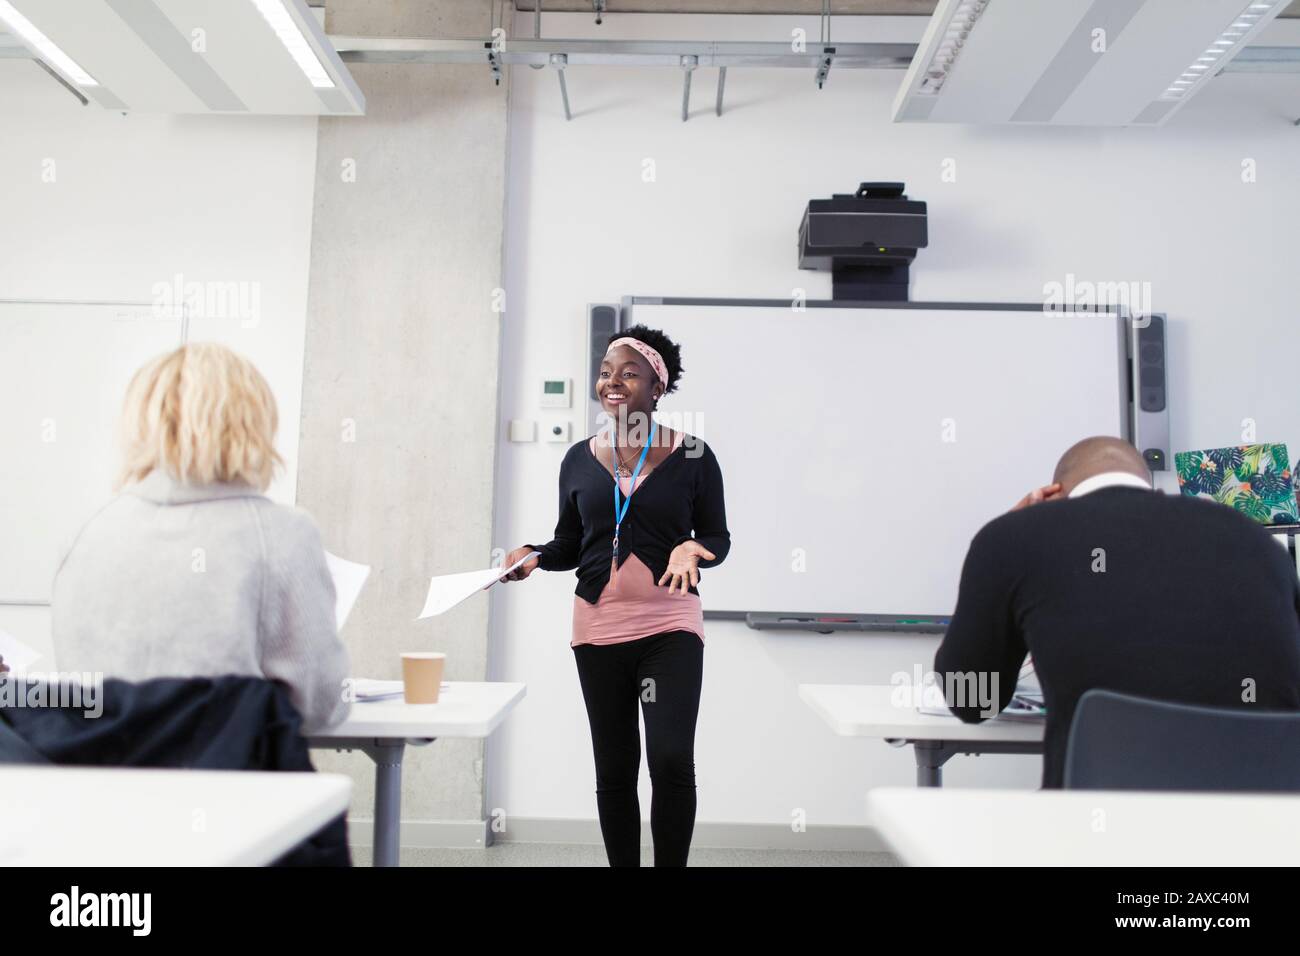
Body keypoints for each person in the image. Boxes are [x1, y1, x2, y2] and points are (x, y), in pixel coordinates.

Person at [934, 435, 1300, 788]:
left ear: (1053, 496)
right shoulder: (1253, 538)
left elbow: (972, 701)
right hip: (1263, 822)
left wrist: (1003, 541)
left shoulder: (1011, 538)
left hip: (1102, 824)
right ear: (1155, 493)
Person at [502, 325, 730, 866]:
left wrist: (690, 550)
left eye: (629, 373)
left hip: (670, 628)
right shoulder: (579, 459)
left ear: (658, 386)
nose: (613, 382)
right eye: (606, 372)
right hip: (598, 629)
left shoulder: (694, 454)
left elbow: (718, 537)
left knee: (671, 759)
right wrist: (533, 555)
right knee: (615, 766)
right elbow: (569, 543)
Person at [52, 343, 349, 732]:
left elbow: (82, 690)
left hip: (102, 785)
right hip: (237, 786)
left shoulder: (84, 532)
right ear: (252, 423)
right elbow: (321, 707)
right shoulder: (285, 535)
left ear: (141, 424)